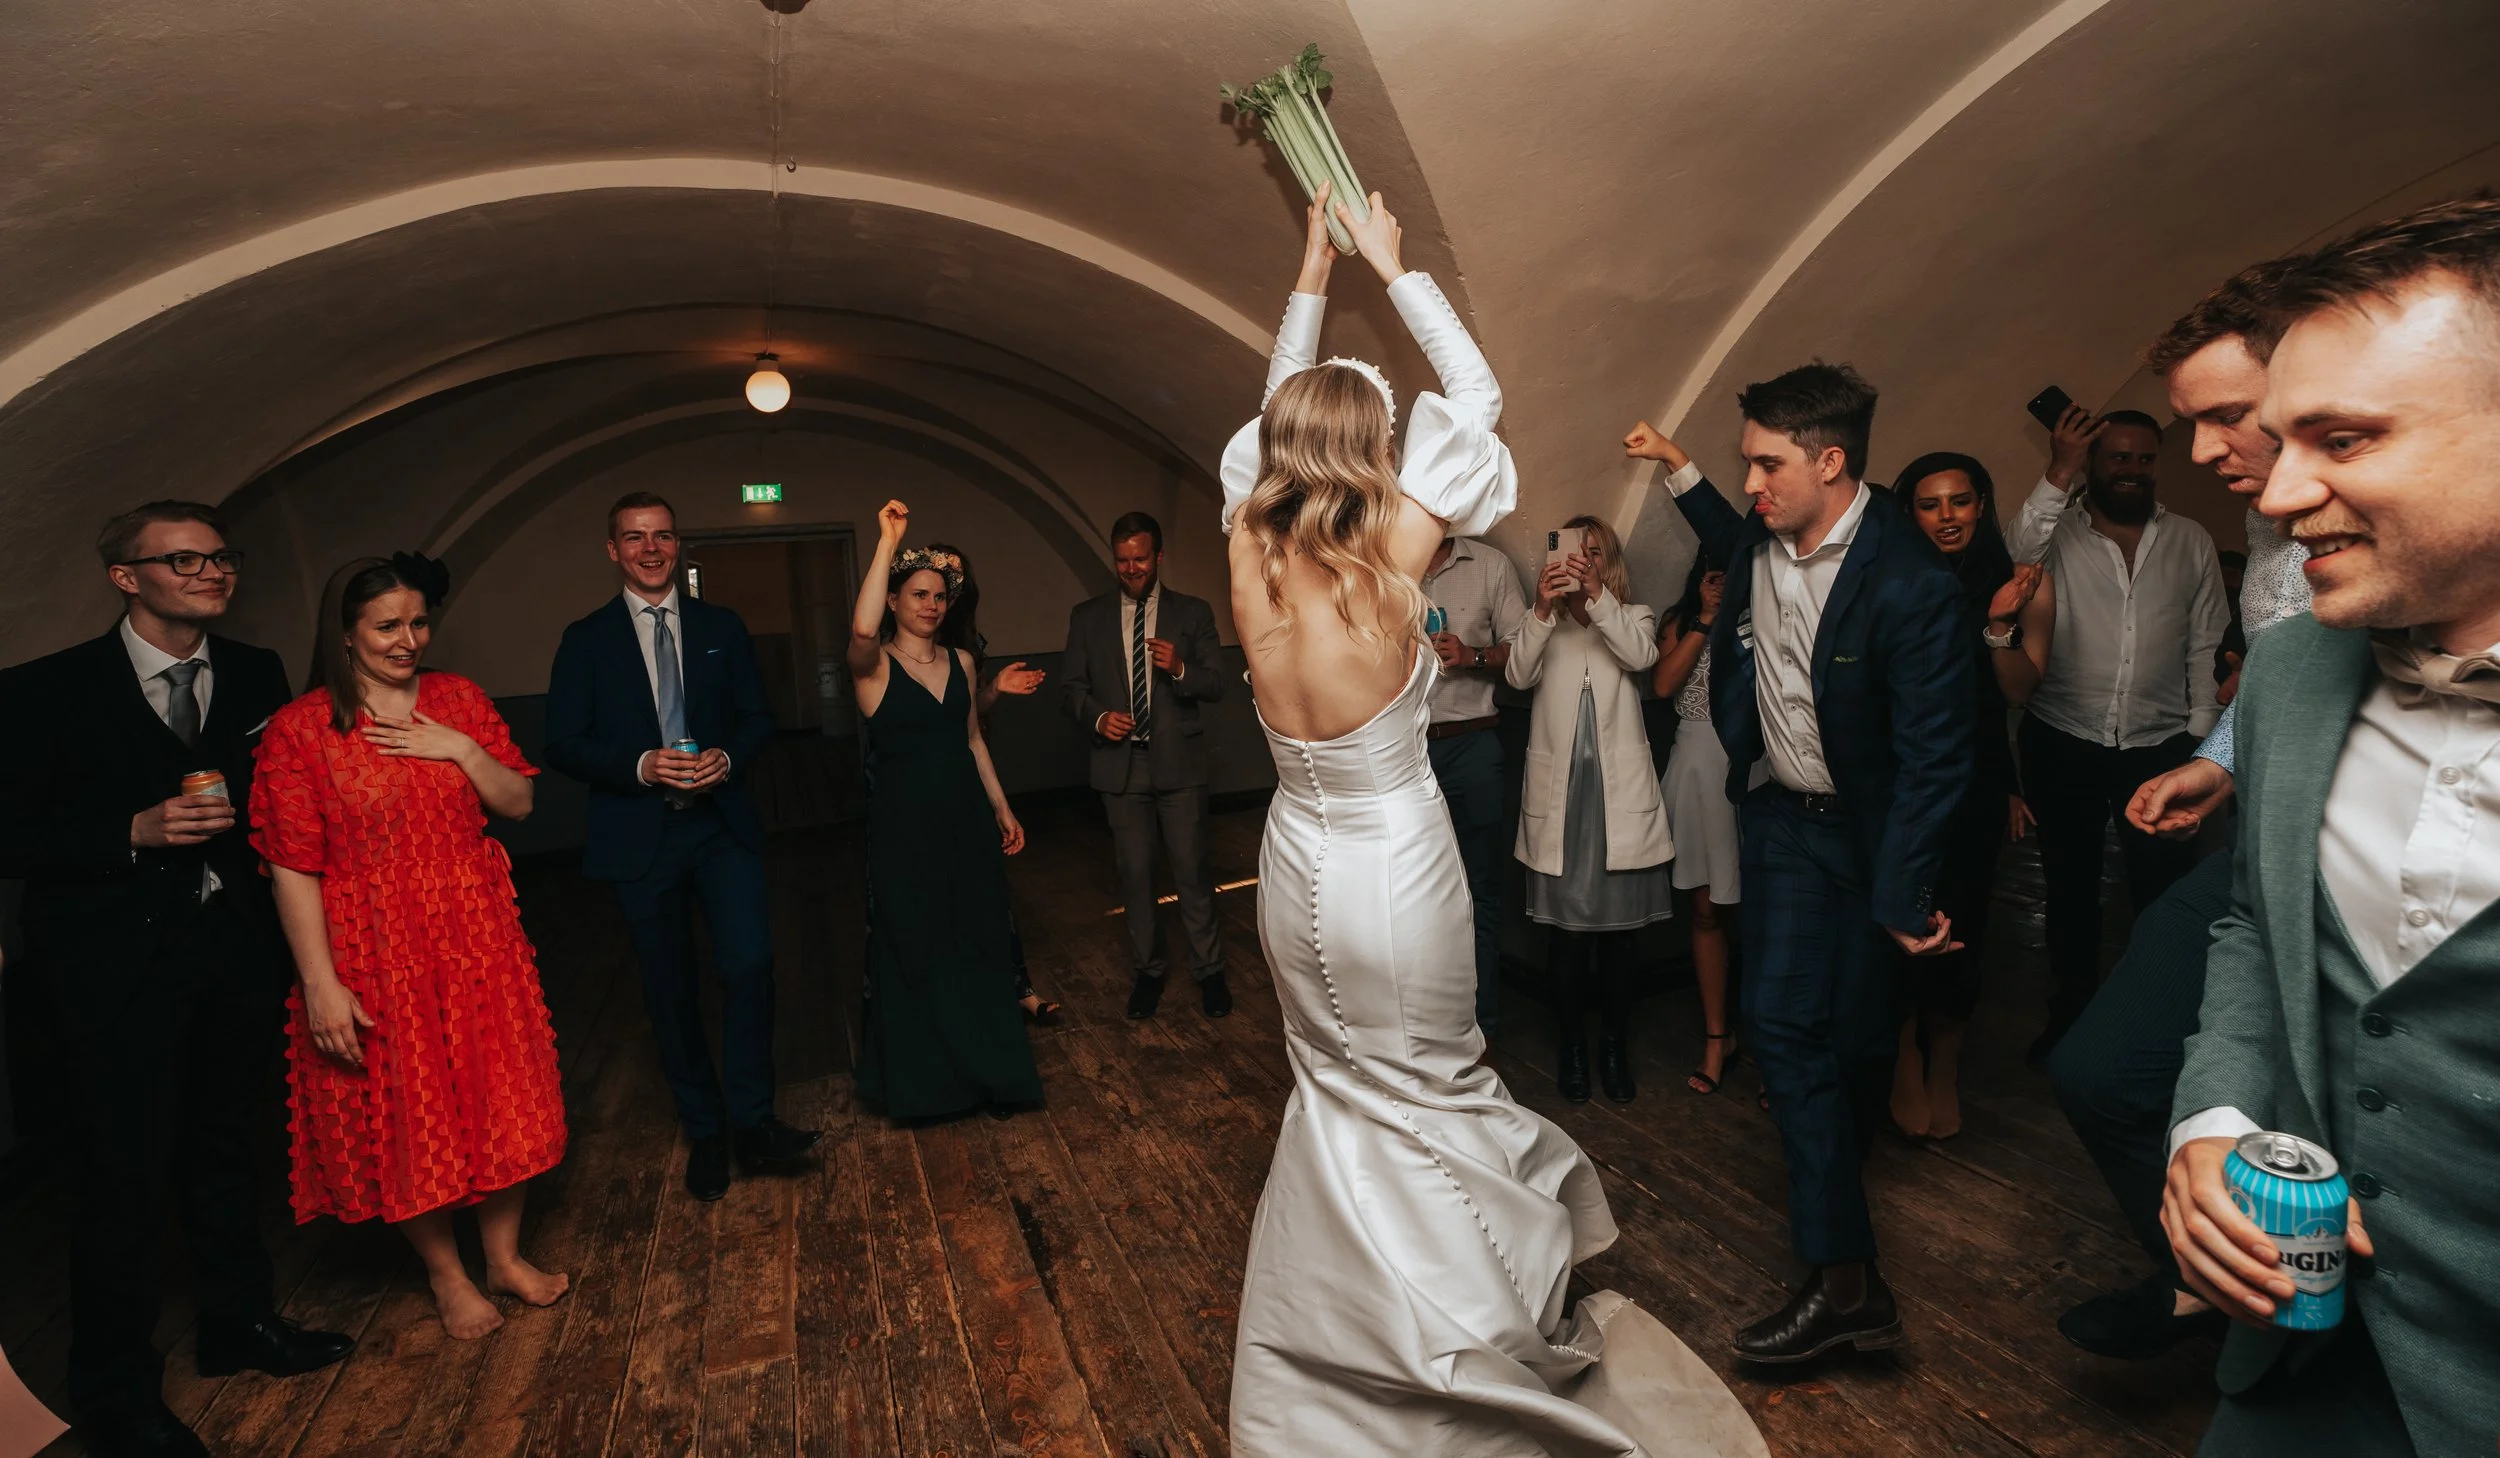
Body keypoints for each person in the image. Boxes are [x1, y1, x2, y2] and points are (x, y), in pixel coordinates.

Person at [1222, 183, 1755, 1456]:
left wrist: (1309, 271)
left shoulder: (1248, 550)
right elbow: (1476, 393)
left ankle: (1342, 1337)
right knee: (1435, 1087)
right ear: (1371, 458)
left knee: (1340, 1091)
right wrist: (1389, 264)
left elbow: (1268, 424)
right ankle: (1457, 1337)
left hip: (1293, 862)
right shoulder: (1391, 564)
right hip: (1392, 864)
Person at [2161, 196, 2500, 1457]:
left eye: (2343, 439)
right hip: (2301, 1366)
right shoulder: (2295, 669)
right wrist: (2212, 1122)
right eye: (2284, 437)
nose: (2283, 489)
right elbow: (2259, 928)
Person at [1626, 371, 1971, 1365]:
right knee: (1779, 1030)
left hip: (1867, 840)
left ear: (1830, 461)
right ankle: (1845, 1276)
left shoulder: (1910, 581)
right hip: (1780, 820)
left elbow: (1937, 756)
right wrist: (1678, 469)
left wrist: (1902, 892)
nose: (1751, 482)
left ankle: (1843, 1263)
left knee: (1855, 1044)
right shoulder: (1758, 534)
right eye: (1746, 463)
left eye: (1766, 464)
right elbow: (1722, 523)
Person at [0, 503, 353, 1458]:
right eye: (185, 559)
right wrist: (128, 831)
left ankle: (239, 1324)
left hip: (231, 949)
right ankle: (114, 1390)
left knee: (227, 1147)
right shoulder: (43, 689)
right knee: (121, 1176)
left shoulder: (255, 670)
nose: (213, 572)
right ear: (126, 576)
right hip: (110, 967)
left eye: (220, 557)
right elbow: (8, 831)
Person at [2047, 258, 2312, 1360]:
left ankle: (2288, 1323)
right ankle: (2208, 1281)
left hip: (2345, 868)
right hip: (2261, 849)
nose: (2200, 452)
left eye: (2227, 416)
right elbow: (2290, 672)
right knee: (2100, 1072)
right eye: (2188, 425)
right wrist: (2222, 760)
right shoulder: (2269, 524)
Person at [252, 553, 569, 1341]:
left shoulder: (459, 699)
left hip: (475, 934)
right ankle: (446, 1274)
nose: (408, 640)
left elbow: (520, 802)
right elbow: (292, 867)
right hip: (373, 947)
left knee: (499, 1094)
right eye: (387, 625)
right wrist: (320, 983)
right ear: (345, 633)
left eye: (419, 622)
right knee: (404, 1111)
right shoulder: (302, 730)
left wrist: (460, 748)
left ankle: (504, 1258)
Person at [543, 493, 818, 1202]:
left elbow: (758, 717)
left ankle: (753, 1123)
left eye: (662, 536)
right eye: (635, 538)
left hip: (719, 827)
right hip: (642, 837)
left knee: (750, 966)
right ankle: (706, 1131)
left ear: (678, 544)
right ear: (613, 550)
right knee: (669, 989)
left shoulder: (721, 626)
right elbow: (563, 742)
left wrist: (730, 755)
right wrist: (640, 764)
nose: (651, 549)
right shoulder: (586, 638)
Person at [2003, 405, 2231, 1063]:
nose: (2131, 469)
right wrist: (2059, 468)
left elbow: (2205, 641)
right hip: (2062, 737)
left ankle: (2151, 1027)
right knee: (2070, 890)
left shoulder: (2189, 539)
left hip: (2160, 744)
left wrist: (2199, 738)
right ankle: (2070, 1019)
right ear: (2094, 463)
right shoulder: (2057, 533)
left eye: (2143, 458)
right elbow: (2016, 555)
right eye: (2117, 457)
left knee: (2160, 892)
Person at [845, 509, 1044, 1121]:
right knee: (917, 947)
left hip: (966, 822)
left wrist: (1002, 808)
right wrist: (888, 543)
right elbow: (861, 627)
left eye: (938, 596)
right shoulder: (874, 666)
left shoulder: (962, 662)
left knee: (977, 943)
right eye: (917, 594)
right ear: (895, 600)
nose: (930, 605)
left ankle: (992, 1076)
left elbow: (973, 740)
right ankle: (929, 1089)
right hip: (904, 829)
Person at [1882, 454, 2032, 1141]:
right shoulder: (1886, 581)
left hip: (1975, 781)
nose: (1947, 516)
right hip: (1900, 781)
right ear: (1908, 514)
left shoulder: (2016, 584)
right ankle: (1903, 1059)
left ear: (1982, 506)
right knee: (1903, 914)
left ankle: (1944, 1064)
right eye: (1929, 504)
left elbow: (2015, 695)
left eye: (1960, 501)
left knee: (1966, 923)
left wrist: (1999, 624)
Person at [1509, 513, 1672, 1104]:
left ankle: (1613, 1046)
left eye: (1595, 552)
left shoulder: (1635, 616)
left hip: (1616, 802)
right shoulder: (1543, 625)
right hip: (1563, 803)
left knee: (1622, 941)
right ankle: (1572, 1046)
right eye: (1577, 551)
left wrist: (1597, 598)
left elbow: (1641, 657)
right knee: (1568, 941)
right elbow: (1516, 674)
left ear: (1611, 563)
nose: (1585, 561)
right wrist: (1542, 609)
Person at [1058, 511, 1233, 1020]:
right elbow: (1071, 690)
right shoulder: (1086, 617)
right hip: (1122, 766)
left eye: (1140, 558)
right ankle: (1149, 972)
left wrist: (1179, 668)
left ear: (1158, 556)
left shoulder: (1193, 612)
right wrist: (1098, 718)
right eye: (1122, 560)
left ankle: (1210, 972)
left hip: (1180, 766)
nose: (1131, 569)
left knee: (1192, 872)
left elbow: (1217, 684)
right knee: (1134, 876)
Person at [921, 541, 1057, 1024]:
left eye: (956, 580)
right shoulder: (908, 642)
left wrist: (995, 689)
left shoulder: (965, 641)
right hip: (922, 779)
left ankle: (1017, 987)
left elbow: (968, 720)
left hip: (970, 768)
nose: (946, 591)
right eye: (940, 580)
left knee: (988, 885)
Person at [1420, 533, 1527, 1034]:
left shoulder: (1490, 565)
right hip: (1403, 751)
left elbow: (1524, 652)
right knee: (1412, 889)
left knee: (1480, 887)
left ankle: (1481, 1024)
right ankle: (1427, 1022)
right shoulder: (1383, 563)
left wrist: (1472, 656)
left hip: (1473, 745)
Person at [1653, 553, 1742, 1095]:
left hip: (1760, 766)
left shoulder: (1769, 613)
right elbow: (1664, 686)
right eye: (1714, 571)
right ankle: (1716, 1037)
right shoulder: (1680, 621)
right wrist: (1706, 618)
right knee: (1707, 909)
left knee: (1768, 910)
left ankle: (1772, 1043)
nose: (1723, 580)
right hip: (1698, 768)